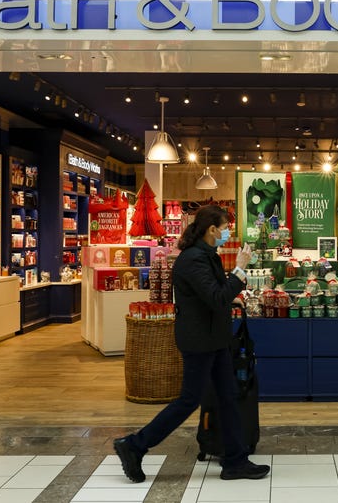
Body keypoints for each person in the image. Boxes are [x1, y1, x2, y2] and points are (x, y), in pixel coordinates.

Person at [114, 205, 269, 483]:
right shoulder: (194, 259)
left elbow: (213, 294)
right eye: (224, 228)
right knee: (189, 400)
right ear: (212, 230)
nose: (226, 233)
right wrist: (240, 269)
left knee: (228, 396)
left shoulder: (205, 255)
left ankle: (235, 461)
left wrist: (229, 294)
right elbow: (215, 297)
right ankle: (135, 445)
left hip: (215, 338)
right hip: (200, 341)